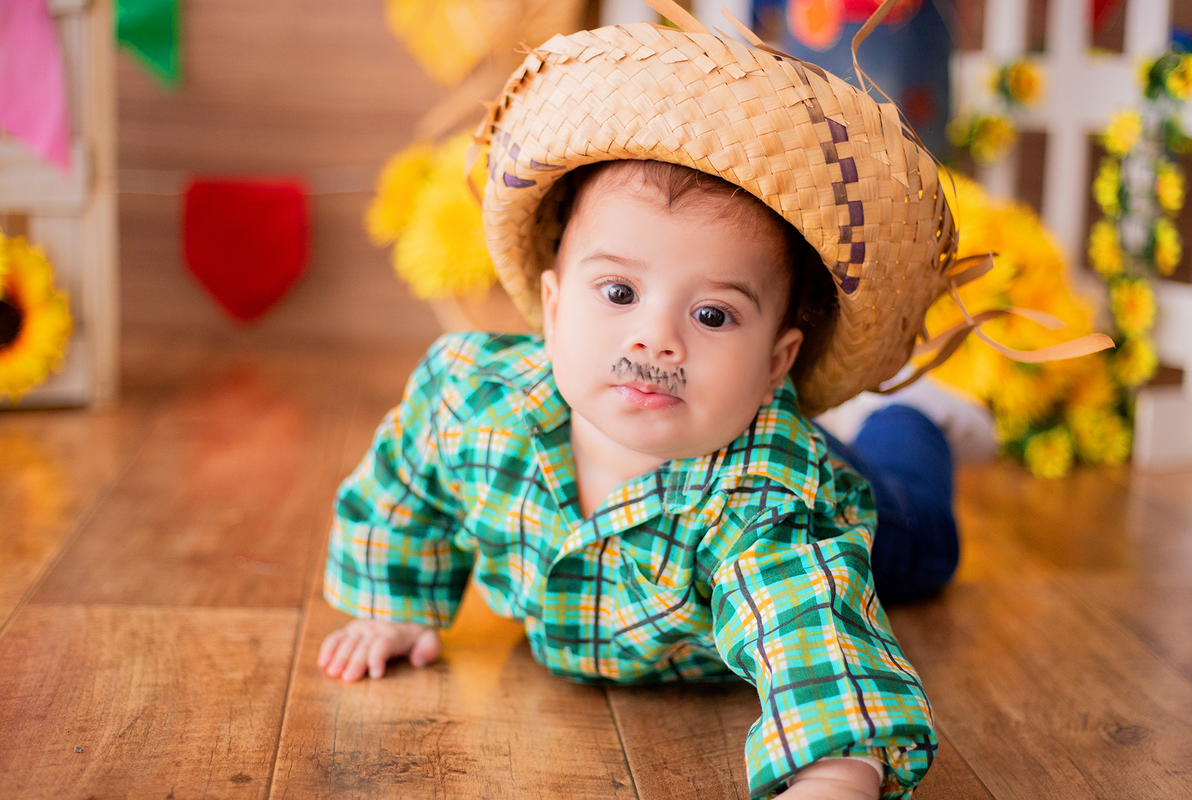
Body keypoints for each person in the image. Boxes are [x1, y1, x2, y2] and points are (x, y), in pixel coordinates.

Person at [316, 2, 1108, 797]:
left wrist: (836, 773)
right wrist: (395, 604)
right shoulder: (473, 401)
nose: (655, 340)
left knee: (925, 539)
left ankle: (915, 418)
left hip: (850, 499)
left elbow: (815, 634)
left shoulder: (774, 505)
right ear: (552, 310)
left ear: (777, 362)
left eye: (712, 315)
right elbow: (407, 482)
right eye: (619, 291)